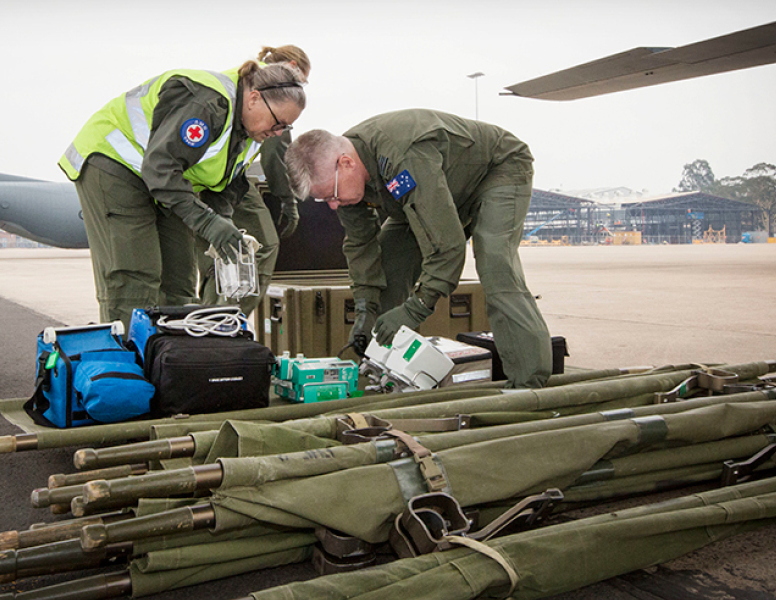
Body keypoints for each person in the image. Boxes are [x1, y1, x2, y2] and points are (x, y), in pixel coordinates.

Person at [285, 109, 551, 388]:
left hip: (496, 171)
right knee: (388, 267)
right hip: (437, 193)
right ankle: (383, 370)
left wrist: (416, 308)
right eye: (325, 200)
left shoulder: (402, 156)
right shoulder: (347, 184)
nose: (333, 205)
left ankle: (529, 382)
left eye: (332, 195)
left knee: (496, 264)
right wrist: (366, 308)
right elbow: (361, 245)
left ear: (347, 163)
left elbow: (446, 246)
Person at [58, 58, 306, 325]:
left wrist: (221, 220)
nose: (279, 132)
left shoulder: (252, 131)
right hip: (116, 164)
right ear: (254, 98)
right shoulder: (206, 104)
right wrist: (209, 224)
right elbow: (160, 168)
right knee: (135, 276)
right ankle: (131, 362)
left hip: (165, 182)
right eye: (278, 122)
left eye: (286, 127)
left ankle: (172, 358)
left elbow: (224, 183)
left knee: (179, 282)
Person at [197, 46, 310, 317]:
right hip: (220, 179)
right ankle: (224, 321)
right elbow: (274, 156)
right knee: (263, 245)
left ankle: (203, 321)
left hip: (205, 178)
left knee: (215, 254)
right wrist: (288, 201)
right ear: (292, 66)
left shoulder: (242, 82)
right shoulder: (273, 95)